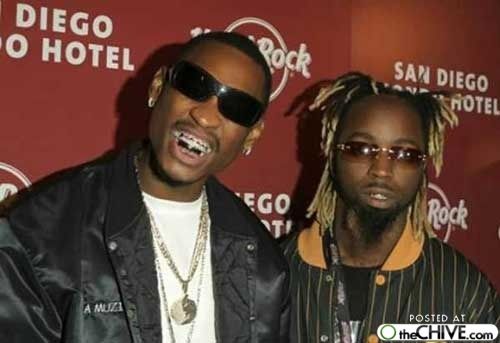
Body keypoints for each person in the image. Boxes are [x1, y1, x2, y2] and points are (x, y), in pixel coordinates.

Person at [0, 31, 290, 342]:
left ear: (251, 137)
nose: (205, 117)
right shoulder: (40, 234)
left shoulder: (263, 264)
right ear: (157, 87)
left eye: (237, 108)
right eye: (194, 84)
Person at [283, 72, 499, 343]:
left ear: (423, 167)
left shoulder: (461, 287)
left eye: (405, 154)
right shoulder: (276, 271)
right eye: (360, 148)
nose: (382, 170)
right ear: (332, 154)